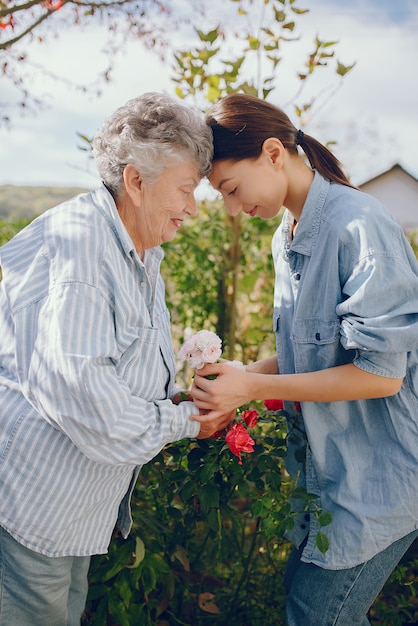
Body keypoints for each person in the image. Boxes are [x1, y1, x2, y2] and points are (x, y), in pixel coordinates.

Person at [0, 92, 235, 626]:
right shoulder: (83, 253)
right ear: (135, 181)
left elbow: (116, 368)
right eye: (185, 190)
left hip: (68, 512)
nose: (194, 208)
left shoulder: (138, 248)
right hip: (31, 509)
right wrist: (190, 419)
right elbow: (94, 407)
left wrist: (179, 396)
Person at [191, 92, 418, 625]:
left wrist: (249, 389)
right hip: (328, 474)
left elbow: (378, 375)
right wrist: (241, 376)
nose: (230, 208)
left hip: (379, 475)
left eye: (230, 189)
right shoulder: (284, 236)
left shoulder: (357, 225)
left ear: (273, 153)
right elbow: (307, 354)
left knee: (317, 615)